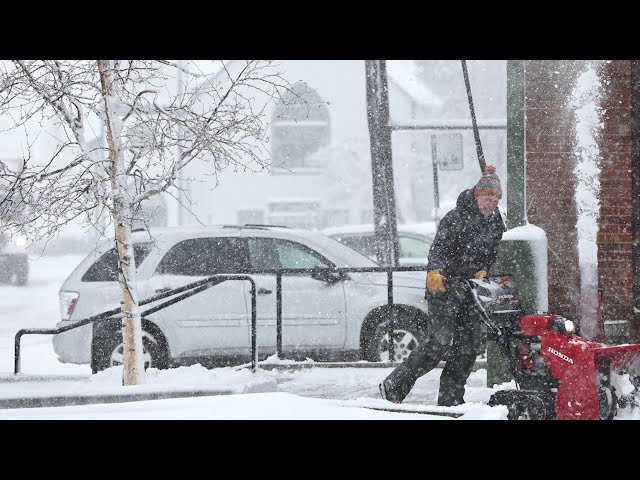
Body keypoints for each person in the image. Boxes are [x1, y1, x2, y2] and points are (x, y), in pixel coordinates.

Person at [379, 165, 506, 406]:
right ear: (477, 195)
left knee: (466, 349)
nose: (492, 203)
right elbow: (439, 250)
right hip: (445, 289)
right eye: (489, 197)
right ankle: (394, 385)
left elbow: (493, 254)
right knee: (438, 343)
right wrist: (435, 272)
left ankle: (451, 399)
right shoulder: (455, 218)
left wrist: (485, 271)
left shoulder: (496, 223)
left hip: (472, 292)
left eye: (497, 198)